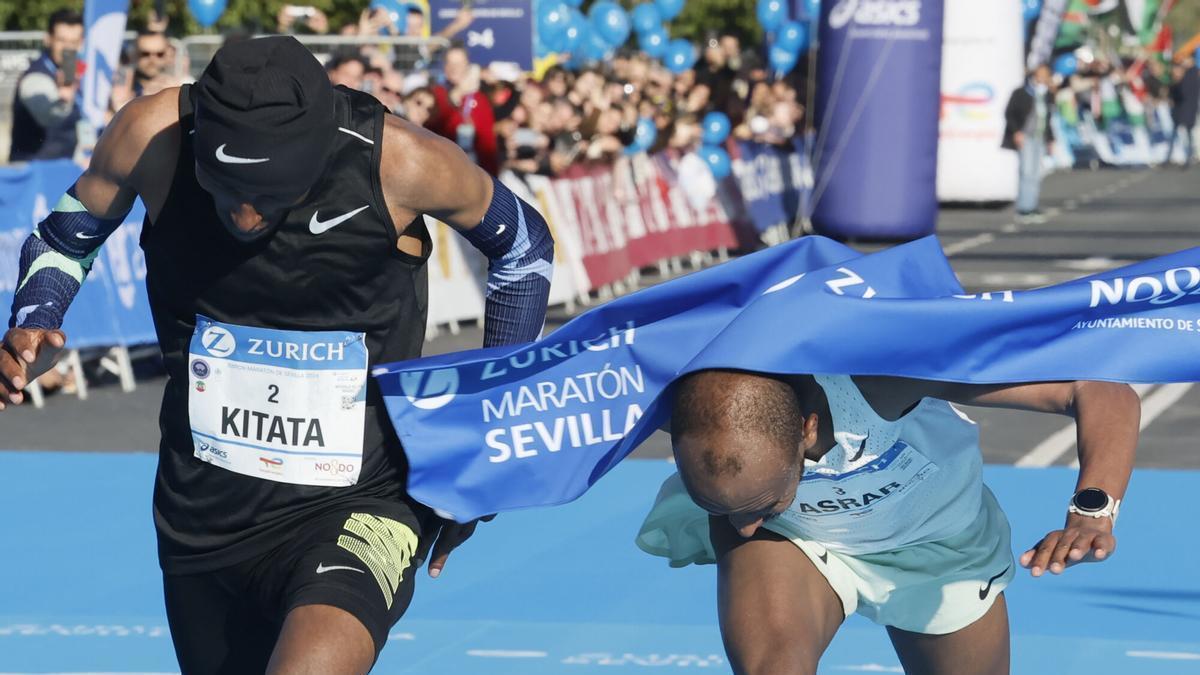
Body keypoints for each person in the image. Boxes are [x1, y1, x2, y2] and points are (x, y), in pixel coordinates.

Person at [0, 35, 553, 673]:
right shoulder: (152, 135)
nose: (243, 214)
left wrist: (485, 438)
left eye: (268, 194)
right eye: (224, 187)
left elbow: (524, 247)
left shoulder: (398, 159)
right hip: (202, 512)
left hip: (362, 498)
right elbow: (65, 236)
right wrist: (36, 318)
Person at [638, 370, 1138, 675]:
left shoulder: (882, 379)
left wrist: (1091, 511)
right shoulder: (667, 404)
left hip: (941, 547)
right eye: (722, 507)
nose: (743, 527)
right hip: (798, 538)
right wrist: (752, 508)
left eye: (763, 501)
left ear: (807, 429)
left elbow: (1095, 389)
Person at [8, 9, 85, 162]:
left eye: (74, 42)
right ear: (48, 39)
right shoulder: (34, 77)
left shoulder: (78, 75)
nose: (68, 48)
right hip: (34, 169)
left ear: (81, 43)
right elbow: (47, 116)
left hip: (65, 166)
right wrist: (62, 101)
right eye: (61, 40)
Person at [426, 45, 499, 175]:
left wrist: (492, 178)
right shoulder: (436, 93)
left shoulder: (479, 99)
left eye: (459, 64)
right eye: (450, 63)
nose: (454, 68)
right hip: (442, 166)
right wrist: (456, 95)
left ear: (467, 66)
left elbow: (488, 144)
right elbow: (435, 128)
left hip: (472, 170)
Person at [1002, 64, 1055, 220]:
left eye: (1046, 75)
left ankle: (1032, 205)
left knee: (1036, 173)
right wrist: (1016, 132)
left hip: (1039, 137)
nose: (1044, 78)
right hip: (1026, 137)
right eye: (1041, 75)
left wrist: (1051, 139)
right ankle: (1024, 208)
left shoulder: (1047, 95)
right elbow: (1009, 113)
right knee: (1026, 172)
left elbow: (1048, 119)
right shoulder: (1021, 93)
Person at [1167, 59, 1199, 168]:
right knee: (1176, 134)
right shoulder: (1177, 81)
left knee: (1188, 135)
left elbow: (1184, 94)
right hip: (1179, 112)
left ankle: (1189, 157)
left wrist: (1178, 81)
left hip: (1187, 111)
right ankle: (1169, 157)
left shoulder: (1189, 78)